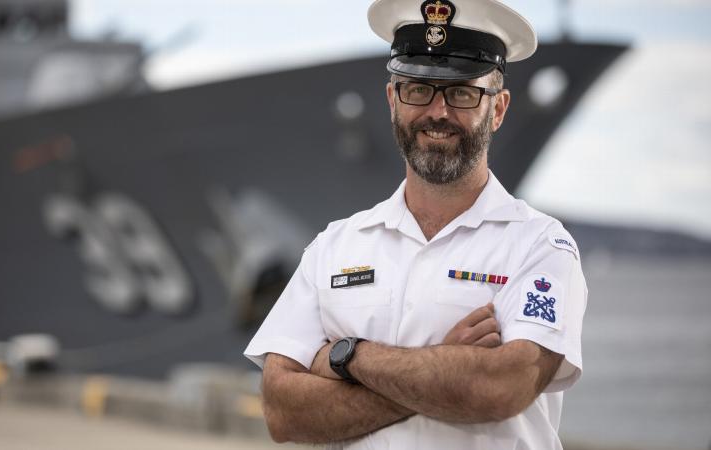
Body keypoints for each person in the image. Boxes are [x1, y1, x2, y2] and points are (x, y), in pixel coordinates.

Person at [243, 0, 588, 448]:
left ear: (498, 109)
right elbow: (283, 411)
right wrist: (444, 368)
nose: (438, 112)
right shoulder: (335, 245)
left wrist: (349, 357)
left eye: (462, 92)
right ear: (392, 100)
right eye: (418, 89)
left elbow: (502, 387)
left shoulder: (540, 246)